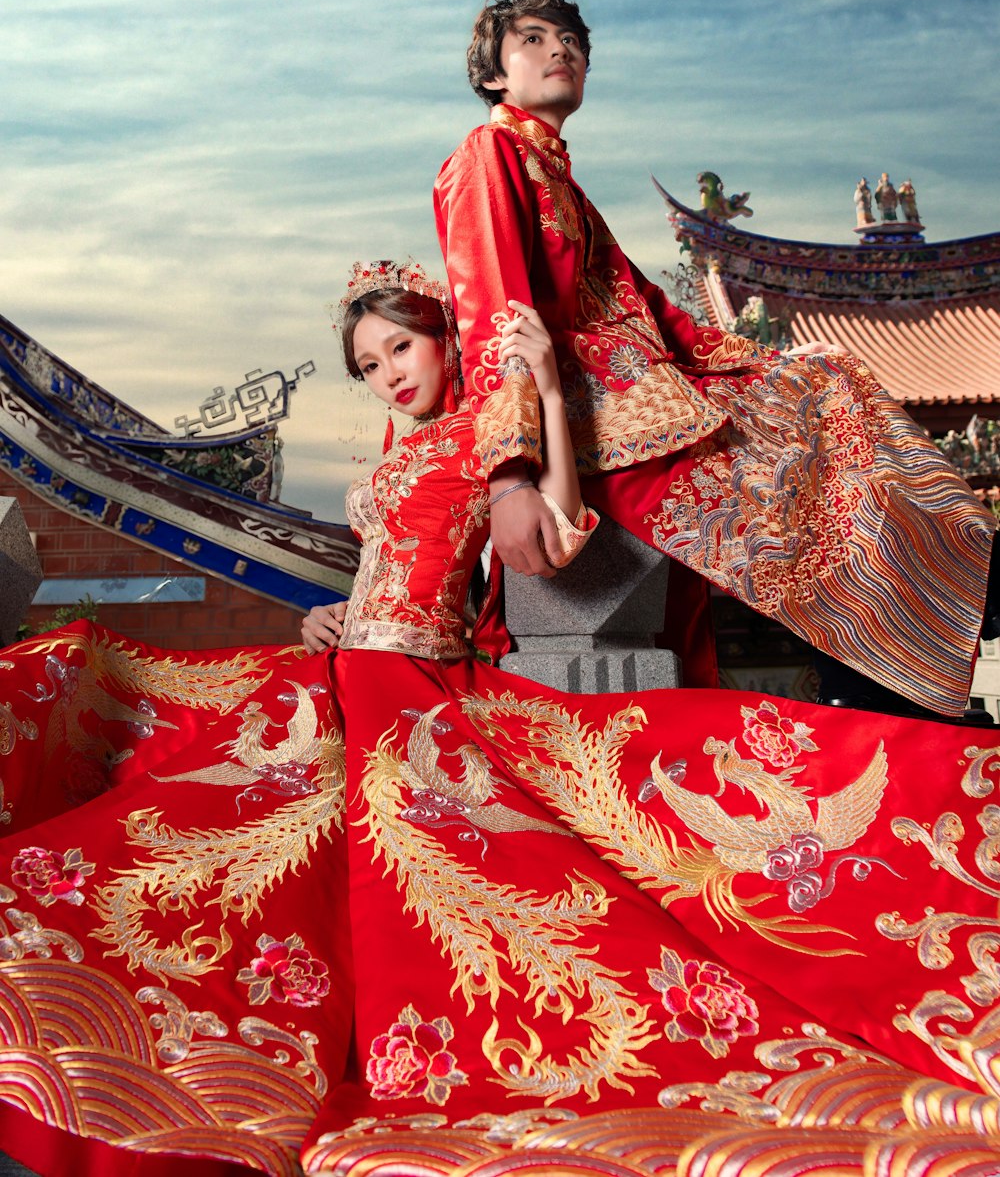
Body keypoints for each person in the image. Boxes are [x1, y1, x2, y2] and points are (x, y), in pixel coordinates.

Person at [3, 258, 1000, 1176]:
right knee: (183, 825)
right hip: (344, 668)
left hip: (419, 688)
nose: (389, 372)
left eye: (401, 346)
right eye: (368, 363)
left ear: (443, 338)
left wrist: (544, 405)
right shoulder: (399, 452)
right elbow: (385, 564)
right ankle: (200, 1048)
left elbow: (557, 539)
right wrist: (335, 612)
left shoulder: (493, 437)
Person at [433, 0, 998, 716]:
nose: (561, 51)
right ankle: (884, 674)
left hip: (646, 386)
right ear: (493, 77)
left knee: (828, 384)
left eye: (571, 42)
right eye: (535, 40)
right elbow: (494, 314)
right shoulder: (486, 154)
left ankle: (920, 632)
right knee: (785, 496)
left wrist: (770, 366)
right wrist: (509, 480)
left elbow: (658, 312)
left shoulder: (565, 183)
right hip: (591, 408)